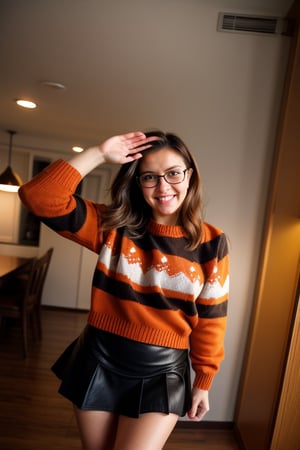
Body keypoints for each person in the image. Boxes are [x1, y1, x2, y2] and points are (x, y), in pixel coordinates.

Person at [19, 130, 229, 450]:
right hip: (100, 357)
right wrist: (98, 153)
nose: (163, 186)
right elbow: (38, 196)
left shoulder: (212, 243)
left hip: (163, 370)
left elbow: (212, 318)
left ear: (190, 175)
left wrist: (203, 381)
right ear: (137, 183)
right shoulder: (114, 227)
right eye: (149, 177)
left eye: (173, 173)